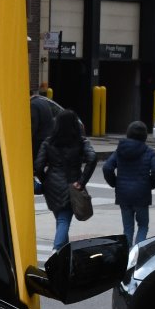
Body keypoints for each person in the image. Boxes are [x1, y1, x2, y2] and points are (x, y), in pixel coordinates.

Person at [34, 108, 95, 252]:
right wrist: (82, 182)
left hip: (51, 187)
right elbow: (92, 158)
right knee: (63, 220)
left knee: (60, 219)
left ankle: (63, 252)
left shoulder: (48, 142)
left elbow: (38, 166)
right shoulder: (81, 142)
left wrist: (46, 180)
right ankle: (56, 250)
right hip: (72, 185)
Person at [101, 120, 155, 246]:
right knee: (143, 226)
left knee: (127, 229)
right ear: (145, 136)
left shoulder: (120, 150)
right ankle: (138, 251)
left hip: (123, 194)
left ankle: (127, 253)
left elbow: (107, 168)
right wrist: (151, 184)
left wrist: (114, 183)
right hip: (142, 194)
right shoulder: (149, 151)